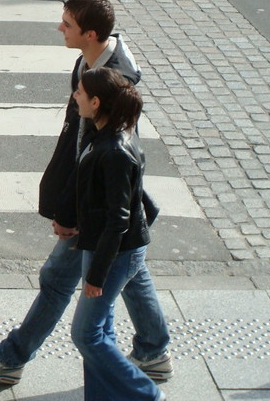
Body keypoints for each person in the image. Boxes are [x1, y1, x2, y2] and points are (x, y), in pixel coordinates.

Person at [0, 0, 171, 386]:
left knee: (62, 282)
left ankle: (12, 356)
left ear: (89, 34)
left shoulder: (112, 82)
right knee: (129, 269)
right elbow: (77, 139)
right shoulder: (87, 62)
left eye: (67, 24)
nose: (60, 28)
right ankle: (153, 348)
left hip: (96, 207)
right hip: (104, 207)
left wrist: (70, 210)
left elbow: (96, 153)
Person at [70, 68, 166, 401]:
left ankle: (146, 394)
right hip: (103, 247)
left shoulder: (114, 151)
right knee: (101, 329)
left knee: (86, 334)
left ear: (96, 102)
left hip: (111, 254)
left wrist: (97, 275)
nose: (75, 96)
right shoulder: (103, 133)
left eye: (80, 92)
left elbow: (118, 220)